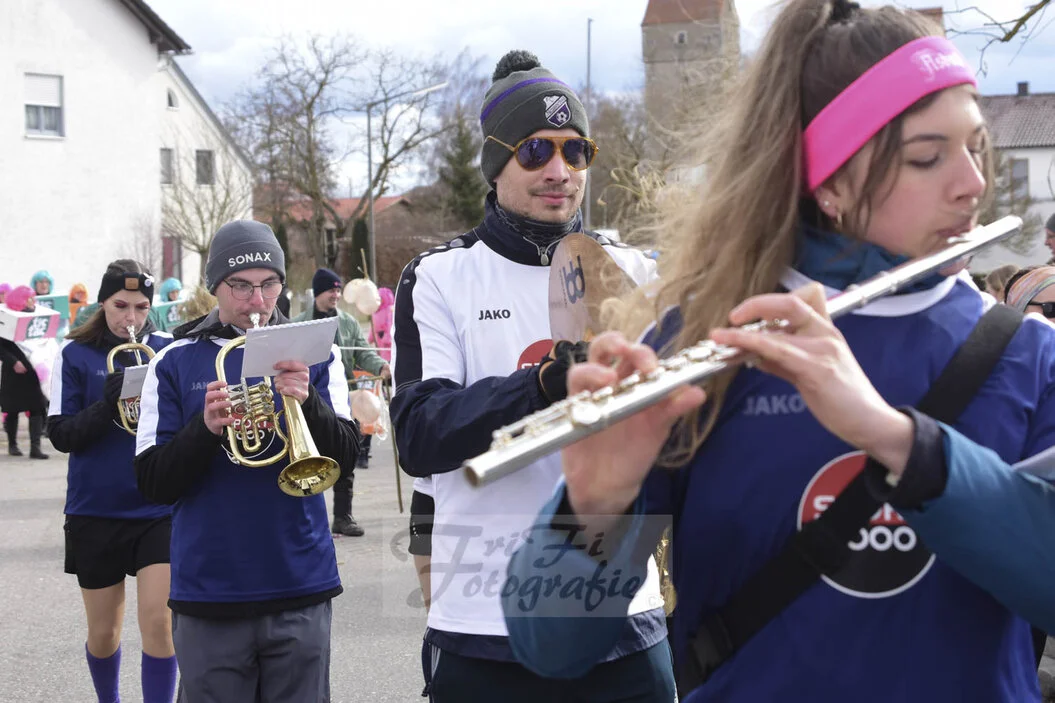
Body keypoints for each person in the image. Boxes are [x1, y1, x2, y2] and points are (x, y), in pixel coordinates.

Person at [501, 3, 1055, 701]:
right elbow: (551, 646)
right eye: (926, 157)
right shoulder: (702, 341)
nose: (972, 183)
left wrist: (898, 441)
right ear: (830, 182)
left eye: (976, 148)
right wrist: (592, 510)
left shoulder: (1025, 354)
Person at [390, 50, 668, 702]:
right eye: (535, 150)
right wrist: (540, 384)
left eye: (576, 151)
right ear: (495, 164)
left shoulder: (637, 270)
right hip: (483, 621)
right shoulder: (440, 276)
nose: (559, 171)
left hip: (623, 612)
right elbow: (419, 435)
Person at [134, 221, 361, 702]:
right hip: (209, 588)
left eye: (269, 284)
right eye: (240, 285)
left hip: (300, 579)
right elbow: (153, 482)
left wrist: (310, 403)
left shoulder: (318, 350)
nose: (257, 300)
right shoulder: (172, 360)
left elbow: (345, 458)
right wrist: (204, 429)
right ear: (214, 285)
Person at [48, 260, 177, 703]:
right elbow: (61, 435)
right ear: (103, 303)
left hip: (158, 508)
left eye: (141, 307)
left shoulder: (167, 350)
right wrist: (108, 404)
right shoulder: (74, 353)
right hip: (96, 510)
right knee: (104, 633)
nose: (131, 318)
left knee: (160, 622)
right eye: (120, 306)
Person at [294, 267, 388, 537]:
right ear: (318, 293)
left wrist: (380, 366)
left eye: (338, 290)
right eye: (331, 291)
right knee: (307, 461)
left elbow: (363, 352)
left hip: (343, 399)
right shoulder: (299, 323)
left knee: (345, 459)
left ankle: (343, 517)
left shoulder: (348, 322)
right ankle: (305, 519)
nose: (336, 295)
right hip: (309, 402)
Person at [1, 285, 50, 459]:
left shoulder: (37, 316)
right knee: (12, 409)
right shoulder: (7, 318)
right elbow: (1, 346)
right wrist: (13, 362)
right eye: (29, 298)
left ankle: (35, 448)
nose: (32, 301)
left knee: (37, 408)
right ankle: (12, 445)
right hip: (13, 371)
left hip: (33, 370)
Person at [358, 286, 395, 471]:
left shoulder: (387, 312)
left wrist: (380, 338)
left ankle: (364, 450)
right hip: (382, 361)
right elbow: (375, 336)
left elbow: (385, 336)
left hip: (387, 360)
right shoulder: (381, 313)